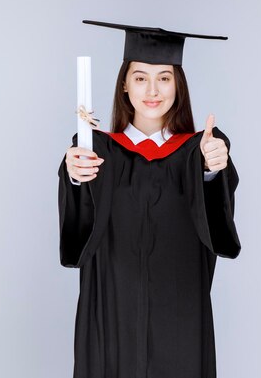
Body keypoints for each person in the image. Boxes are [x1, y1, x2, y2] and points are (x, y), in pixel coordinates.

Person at [57, 20, 241, 378]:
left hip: (179, 309)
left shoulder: (195, 150)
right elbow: (79, 224)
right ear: (125, 85)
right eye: (140, 77)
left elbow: (215, 216)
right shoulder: (96, 150)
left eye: (164, 78)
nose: (152, 90)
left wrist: (212, 169)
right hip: (112, 305)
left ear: (178, 86)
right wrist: (75, 175)